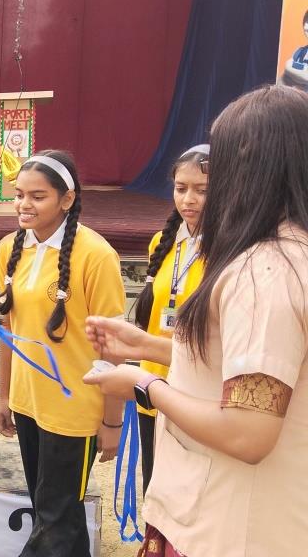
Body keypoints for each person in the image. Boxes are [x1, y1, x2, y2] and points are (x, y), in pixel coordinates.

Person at [84, 85, 308, 556]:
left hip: (230, 525)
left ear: (249, 168)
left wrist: (143, 384)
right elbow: (249, 368)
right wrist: (146, 346)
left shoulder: (266, 271)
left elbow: (248, 432)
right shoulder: (287, 254)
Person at [0, 149, 126, 557]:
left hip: (74, 410)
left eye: (38, 196)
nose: (24, 205)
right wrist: (5, 395)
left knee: (55, 520)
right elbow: (8, 330)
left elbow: (113, 346)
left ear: (66, 199)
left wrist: (112, 421)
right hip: (28, 403)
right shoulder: (9, 248)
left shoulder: (96, 255)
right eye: (19, 195)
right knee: (53, 516)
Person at [129, 144, 208, 492]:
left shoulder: (231, 248)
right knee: (153, 485)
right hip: (154, 383)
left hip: (196, 393)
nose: (189, 199)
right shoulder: (162, 243)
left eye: (202, 190)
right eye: (181, 188)